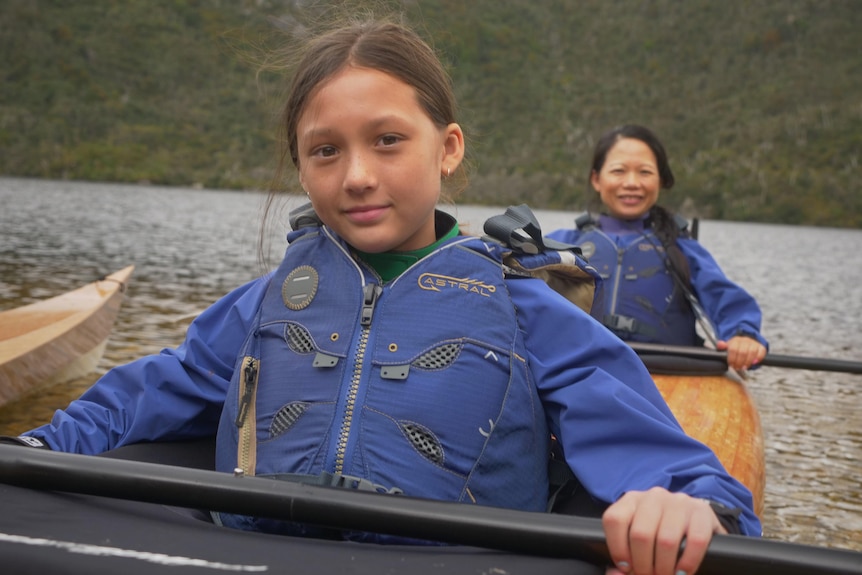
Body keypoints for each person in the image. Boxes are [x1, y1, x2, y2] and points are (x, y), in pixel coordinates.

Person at [2, 19, 760, 575]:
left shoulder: (529, 312)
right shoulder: (264, 303)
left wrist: (692, 506)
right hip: (242, 553)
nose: (357, 175)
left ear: (449, 148)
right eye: (325, 150)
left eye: (388, 140)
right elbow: (144, 394)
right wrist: (37, 446)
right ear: (302, 168)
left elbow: (685, 472)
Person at [547, 125, 768, 372]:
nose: (631, 183)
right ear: (597, 180)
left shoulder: (681, 249)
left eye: (644, 172)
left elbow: (724, 298)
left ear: (660, 180)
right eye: (619, 171)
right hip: (580, 370)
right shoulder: (561, 246)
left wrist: (743, 335)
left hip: (666, 371)